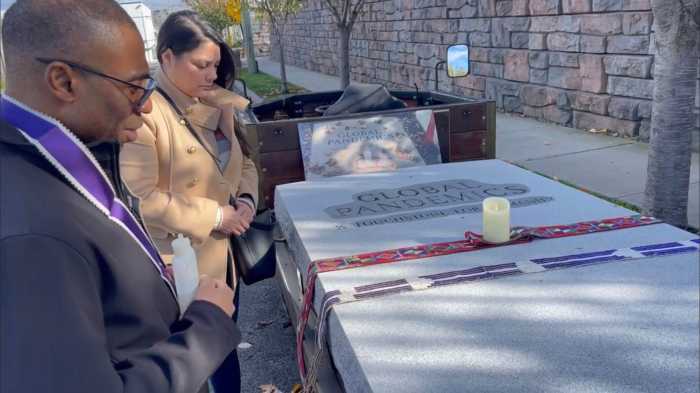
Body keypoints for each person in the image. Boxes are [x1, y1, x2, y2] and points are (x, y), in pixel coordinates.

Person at [0, 1, 240, 393]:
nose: (146, 105)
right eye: (133, 86)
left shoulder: (47, 162)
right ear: (63, 82)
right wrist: (208, 325)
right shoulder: (29, 234)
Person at [119, 10, 259, 393]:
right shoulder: (147, 115)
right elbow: (141, 198)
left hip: (222, 258)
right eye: (201, 65)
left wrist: (245, 199)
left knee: (225, 350)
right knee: (193, 366)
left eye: (215, 64)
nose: (212, 74)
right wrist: (217, 215)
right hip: (180, 266)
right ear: (167, 58)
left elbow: (243, 158)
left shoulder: (218, 99)